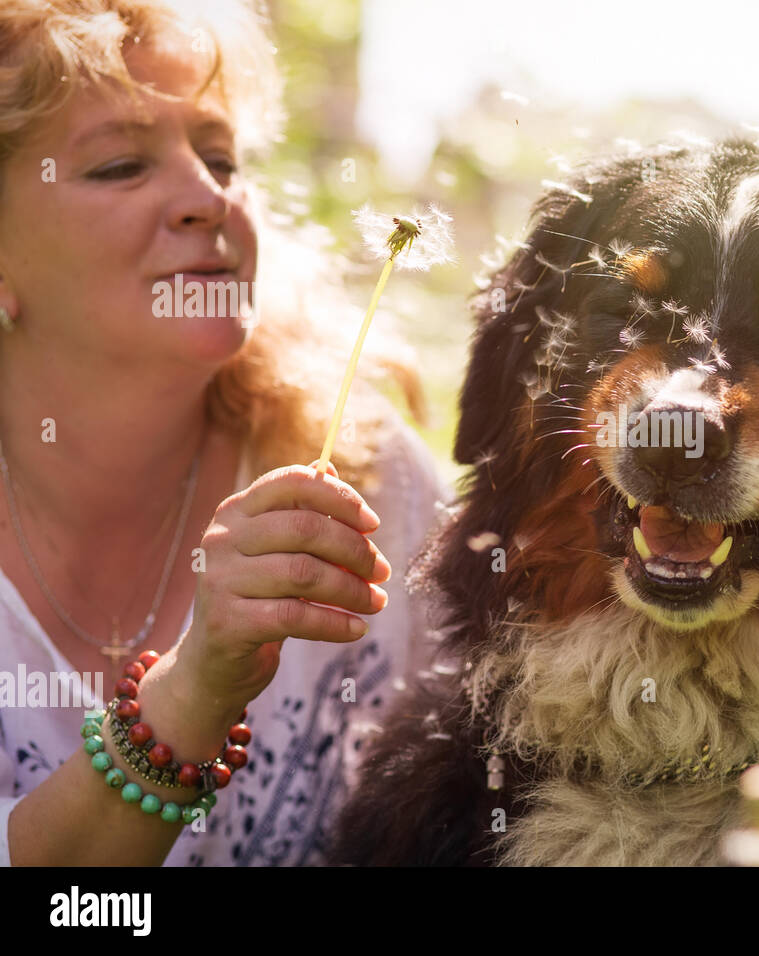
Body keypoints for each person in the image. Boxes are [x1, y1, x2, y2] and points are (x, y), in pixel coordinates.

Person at [0, 0, 452, 865]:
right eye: (123, 165)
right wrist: (195, 691)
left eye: (219, 157)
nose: (209, 198)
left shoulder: (367, 477)